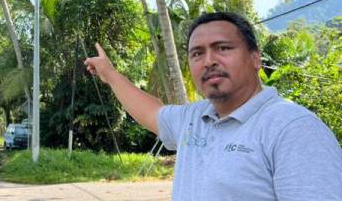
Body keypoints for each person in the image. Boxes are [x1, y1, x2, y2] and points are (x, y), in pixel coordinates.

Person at [84, 11, 342, 200]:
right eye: (197, 53)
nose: (208, 61)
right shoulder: (194, 118)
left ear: (255, 59)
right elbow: (150, 111)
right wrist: (109, 74)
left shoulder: (293, 129)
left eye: (223, 48)